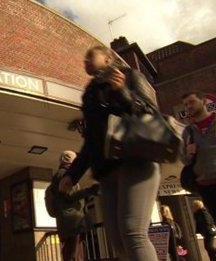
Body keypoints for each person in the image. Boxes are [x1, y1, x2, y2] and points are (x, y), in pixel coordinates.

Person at [58, 46, 160, 261]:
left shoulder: (130, 76)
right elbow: (93, 140)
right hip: (106, 172)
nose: (85, 60)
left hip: (135, 160)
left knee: (133, 233)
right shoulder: (90, 94)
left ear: (108, 58)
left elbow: (151, 116)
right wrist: (72, 174)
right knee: (117, 240)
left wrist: (122, 91)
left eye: (90, 56)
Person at [181, 91, 216, 260]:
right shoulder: (188, 132)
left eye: (191, 102)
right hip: (206, 188)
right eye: (186, 105)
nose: (189, 107)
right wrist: (188, 154)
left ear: (203, 101)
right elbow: (184, 160)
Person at [45, 150, 99, 261]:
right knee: (74, 254)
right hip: (73, 221)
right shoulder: (64, 175)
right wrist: (90, 190)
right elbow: (71, 196)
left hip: (66, 221)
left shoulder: (58, 176)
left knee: (71, 252)